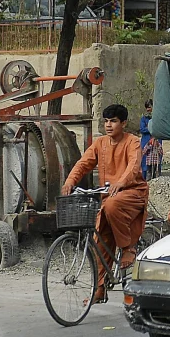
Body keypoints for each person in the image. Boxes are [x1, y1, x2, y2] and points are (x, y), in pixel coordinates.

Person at [63, 104, 150, 297]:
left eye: (113, 121)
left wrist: (121, 182)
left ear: (124, 123)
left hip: (132, 192)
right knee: (100, 238)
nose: (109, 125)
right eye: (106, 121)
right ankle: (100, 288)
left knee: (111, 205)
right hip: (110, 195)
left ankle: (128, 247)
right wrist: (70, 181)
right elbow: (83, 163)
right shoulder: (100, 143)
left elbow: (134, 166)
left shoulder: (132, 142)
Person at [138, 99, 162, 180]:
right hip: (146, 141)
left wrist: (151, 128)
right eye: (147, 107)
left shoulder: (158, 118)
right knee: (145, 162)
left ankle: (157, 180)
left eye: (150, 107)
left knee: (157, 161)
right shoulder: (144, 118)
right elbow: (142, 129)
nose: (148, 109)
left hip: (157, 141)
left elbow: (160, 128)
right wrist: (152, 128)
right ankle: (144, 181)